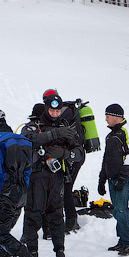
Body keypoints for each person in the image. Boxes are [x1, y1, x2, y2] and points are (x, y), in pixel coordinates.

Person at [21, 96, 84, 257]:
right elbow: (26, 139)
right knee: (32, 215)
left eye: (58, 111)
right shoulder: (34, 126)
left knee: (57, 216)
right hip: (37, 178)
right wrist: (54, 135)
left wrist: (65, 154)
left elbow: (79, 153)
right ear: (46, 109)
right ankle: (32, 255)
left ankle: (60, 253)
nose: (55, 114)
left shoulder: (65, 128)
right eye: (52, 110)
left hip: (56, 178)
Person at [0, 109, 42, 257]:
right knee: (4, 231)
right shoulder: (23, 140)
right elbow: (29, 170)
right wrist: (23, 190)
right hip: (21, 193)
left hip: (3, 193)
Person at [41, 90, 86, 234]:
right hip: (68, 159)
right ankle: (59, 223)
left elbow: (78, 149)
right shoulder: (61, 115)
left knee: (65, 190)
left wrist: (65, 154)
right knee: (62, 190)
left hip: (71, 160)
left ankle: (71, 222)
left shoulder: (64, 118)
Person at [98, 104, 129, 256]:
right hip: (111, 177)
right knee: (117, 210)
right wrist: (102, 179)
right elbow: (106, 158)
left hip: (124, 178)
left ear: (116, 116)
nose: (105, 119)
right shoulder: (110, 135)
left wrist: (122, 177)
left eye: (107, 116)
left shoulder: (127, 132)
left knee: (121, 209)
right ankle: (122, 241)